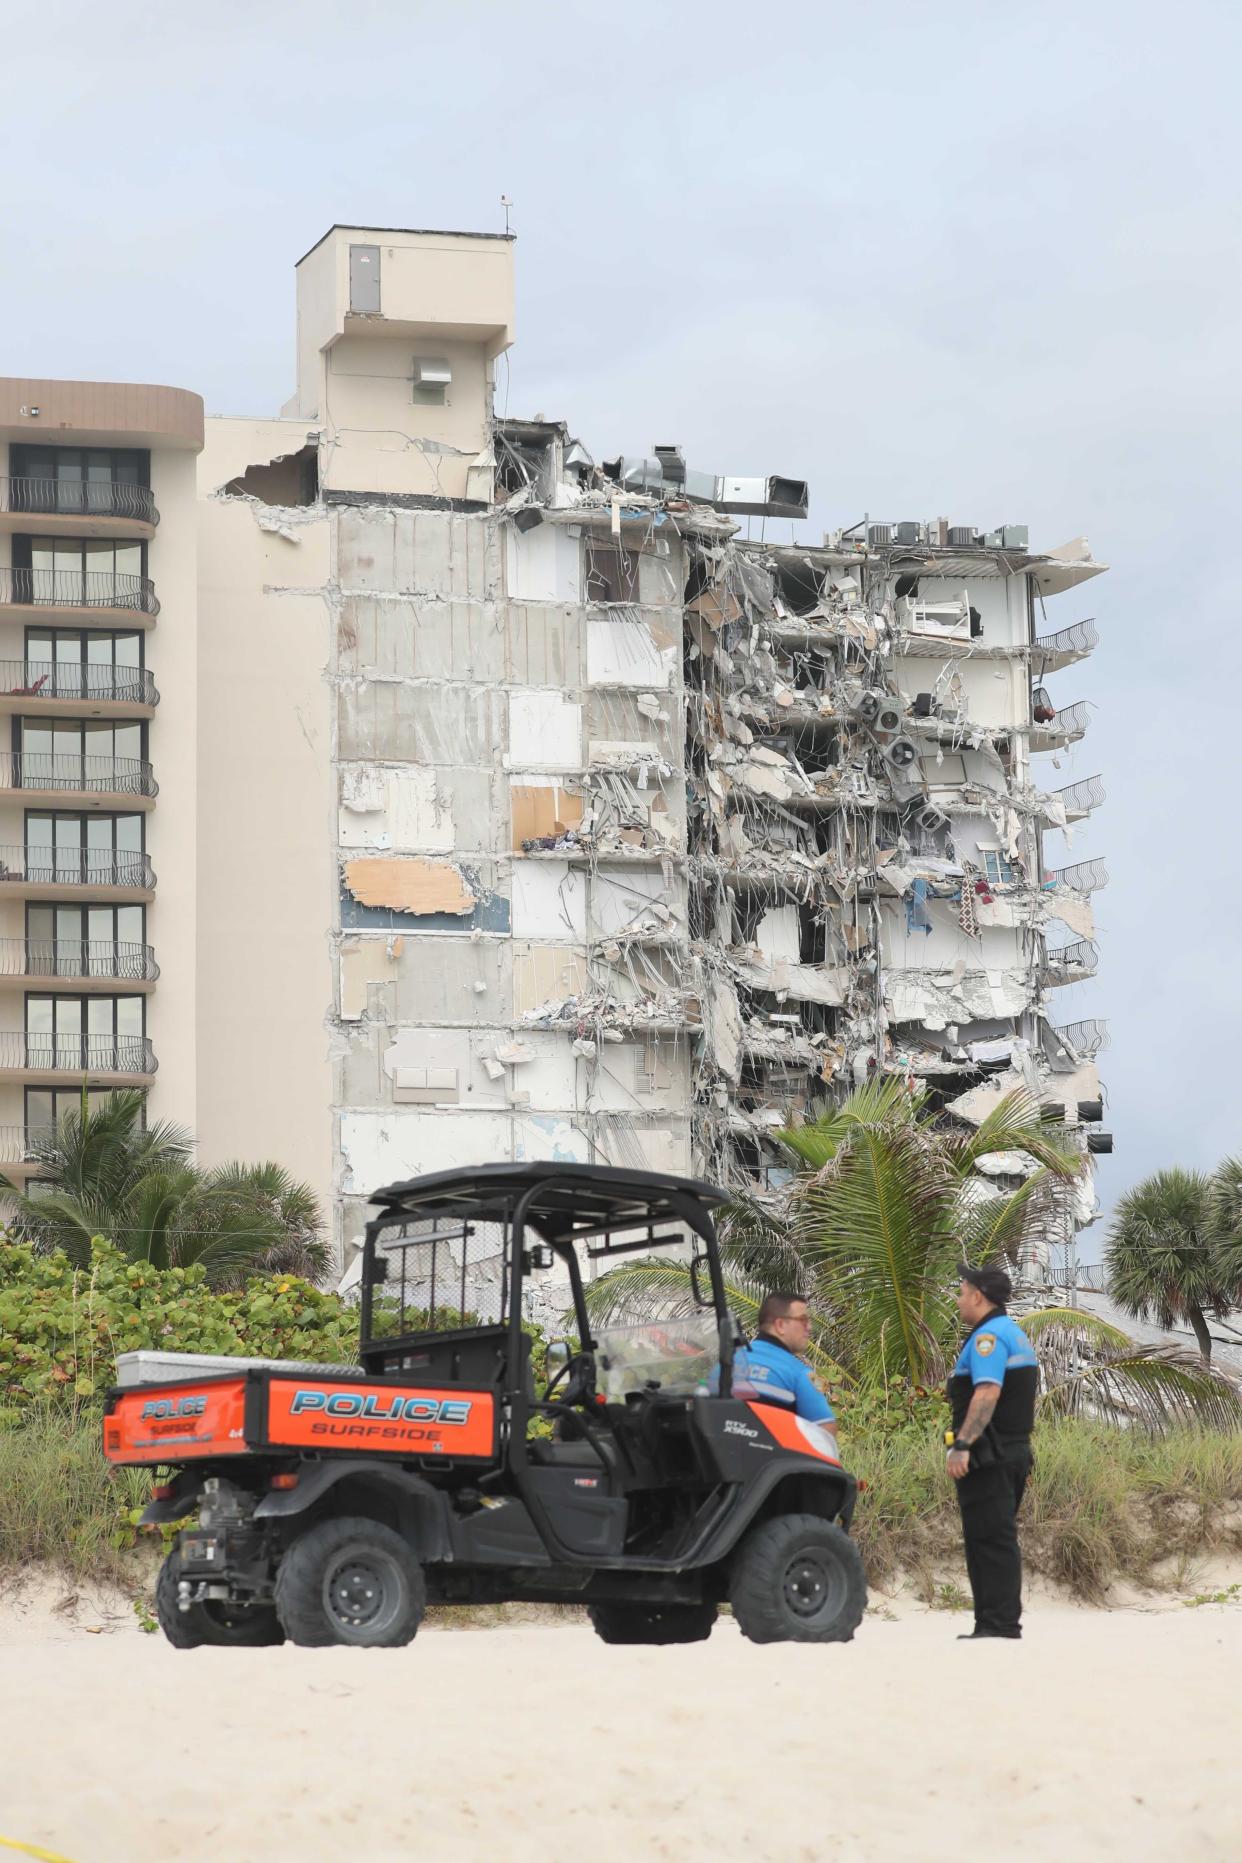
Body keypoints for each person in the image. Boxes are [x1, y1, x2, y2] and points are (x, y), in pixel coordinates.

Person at [946, 1263, 1039, 1640]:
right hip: (1012, 1451)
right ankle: (992, 1623)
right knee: (993, 1538)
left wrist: (962, 1444)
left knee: (990, 1540)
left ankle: (998, 1626)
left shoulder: (988, 1338)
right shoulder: (1011, 1332)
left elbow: (986, 1393)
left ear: (978, 1296)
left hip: (989, 1454)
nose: (958, 1299)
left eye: (961, 1291)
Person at [730, 1292, 837, 1447]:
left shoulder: (725, 1364)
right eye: (803, 1320)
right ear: (780, 1325)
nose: (809, 1327)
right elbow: (826, 1431)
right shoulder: (802, 1375)